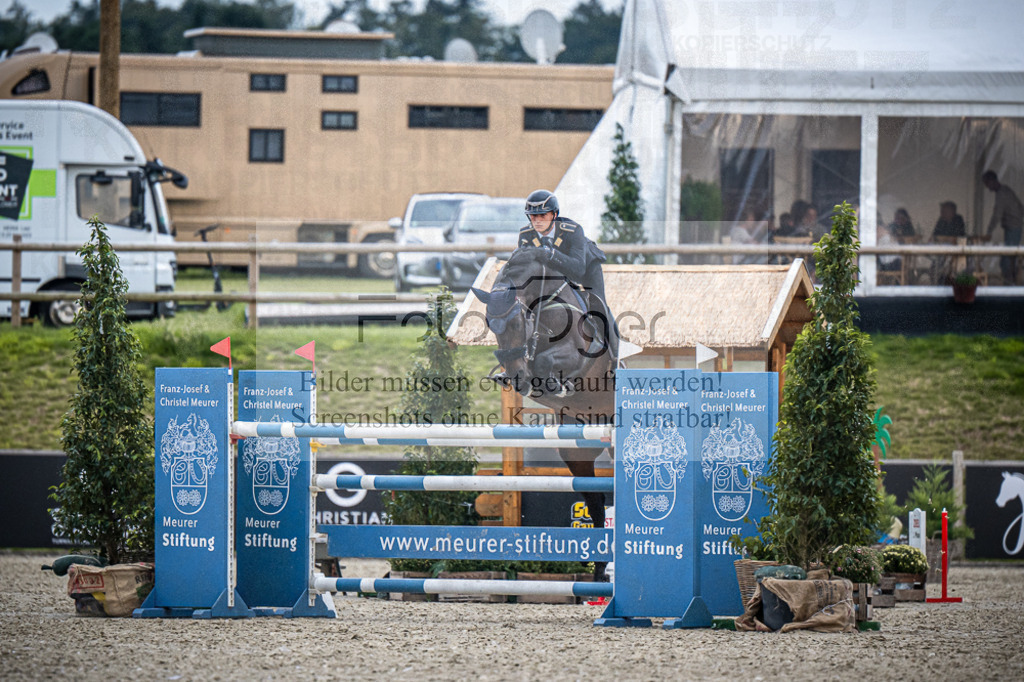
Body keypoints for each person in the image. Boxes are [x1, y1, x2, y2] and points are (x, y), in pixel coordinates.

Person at [516, 189, 616, 358]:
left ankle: (615, 356)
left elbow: (578, 270)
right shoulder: (525, 235)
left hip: (586, 269)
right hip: (553, 274)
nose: (538, 221)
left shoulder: (573, 230)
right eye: (533, 217)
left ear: (554, 215)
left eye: (543, 216)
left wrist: (550, 254)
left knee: (599, 305)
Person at [982, 170, 1023, 284]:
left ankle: (1009, 284)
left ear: (992, 181)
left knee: (1007, 260)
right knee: (1009, 258)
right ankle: (1010, 282)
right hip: (1013, 228)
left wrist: (989, 232)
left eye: (987, 184)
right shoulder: (1006, 190)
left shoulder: (1002, 193)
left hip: (1013, 228)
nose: (987, 187)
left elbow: (997, 215)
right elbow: (1020, 207)